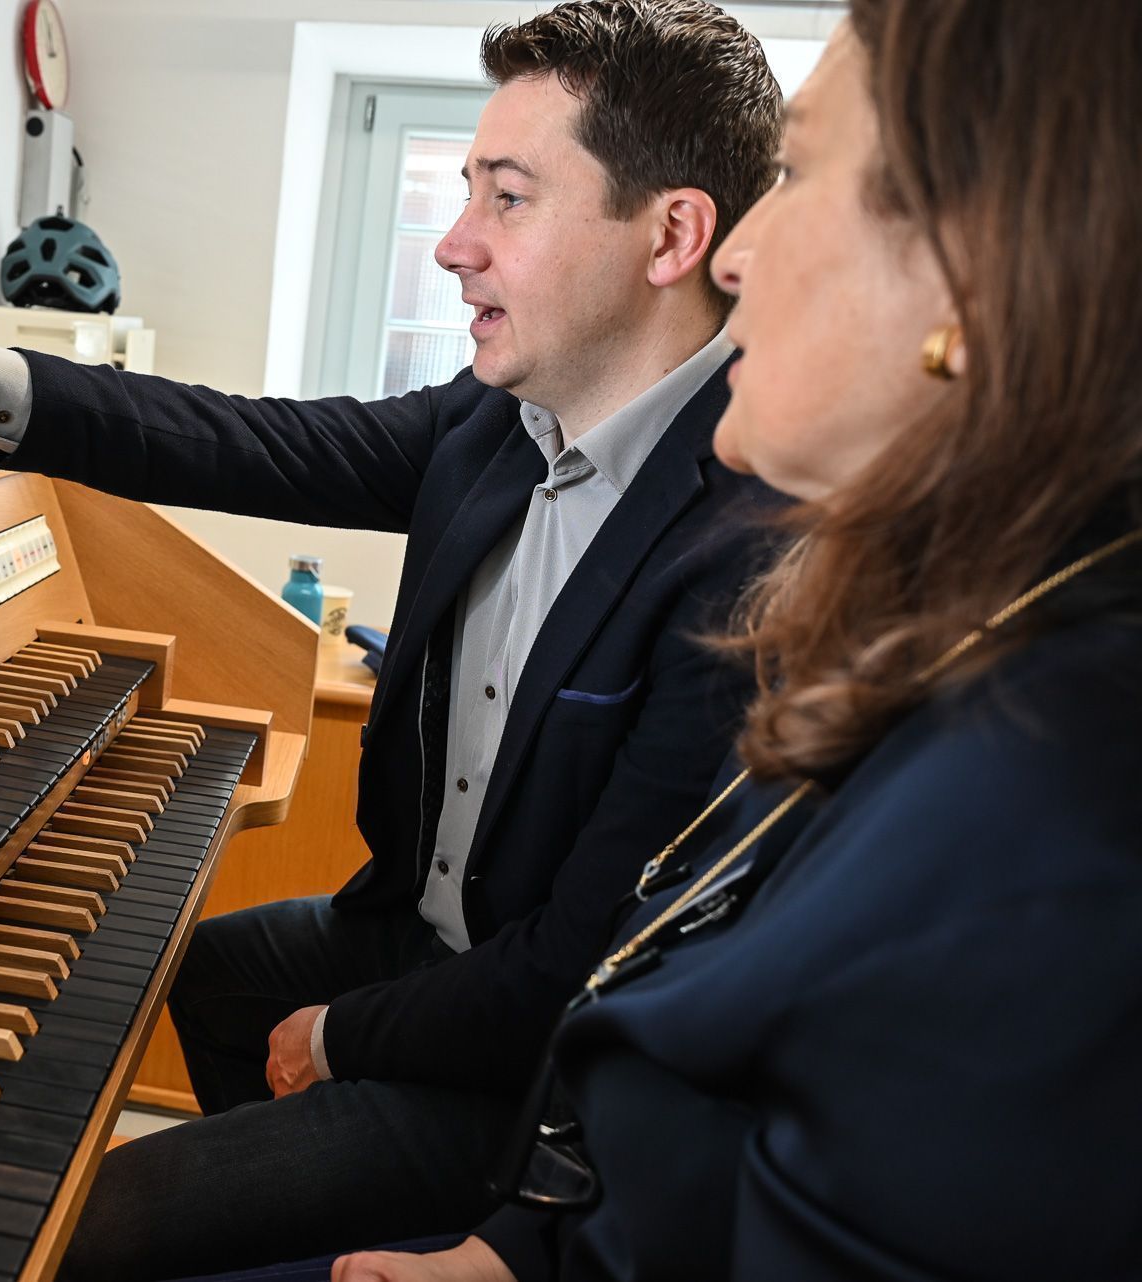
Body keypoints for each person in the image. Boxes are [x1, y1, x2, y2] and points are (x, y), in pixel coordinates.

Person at [0, 4, 786, 1271]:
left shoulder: (744, 536)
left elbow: (580, 964)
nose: (451, 245)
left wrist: (341, 1040)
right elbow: (241, 437)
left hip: (541, 1060)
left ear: (673, 235)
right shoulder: (490, 426)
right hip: (418, 938)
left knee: (90, 1229)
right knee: (203, 971)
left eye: (508, 199)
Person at [317, 1, 1142, 1278]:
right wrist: (521, 1252)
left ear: (991, 263)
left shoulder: (1059, 805)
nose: (740, 257)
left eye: (804, 174)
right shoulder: (947, 626)